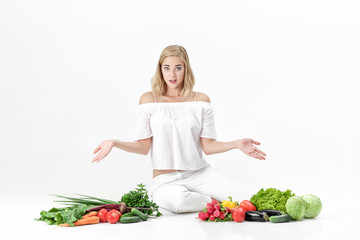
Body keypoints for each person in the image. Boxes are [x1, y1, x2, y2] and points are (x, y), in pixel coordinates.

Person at [91, 45, 266, 213]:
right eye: (167, 68)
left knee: (247, 196)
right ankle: (213, 201)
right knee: (179, 202)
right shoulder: (149, 100)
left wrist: (236, 143)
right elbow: (143, 147)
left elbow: (209, 146)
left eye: (178, 68)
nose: (172, 74)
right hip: (165, 180)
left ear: (186, 69)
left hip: (199, 173)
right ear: (160, 69)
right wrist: (114, 143)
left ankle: (220, 197)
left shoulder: (201, 101)